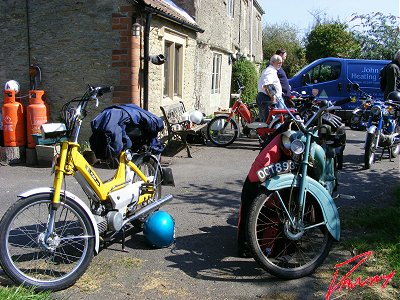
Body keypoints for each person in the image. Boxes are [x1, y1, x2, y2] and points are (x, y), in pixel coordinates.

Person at [256, 54, 284, 122]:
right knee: (271, 122)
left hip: (268, 98)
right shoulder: (270, 71)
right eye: (279, 62)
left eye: (281, 62)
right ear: (273, 62)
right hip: (267, 98)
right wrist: (273, 99)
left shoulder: (272, 71)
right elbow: (267, 86)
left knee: (273, 121)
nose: (281, 64)